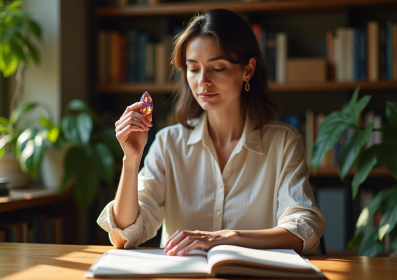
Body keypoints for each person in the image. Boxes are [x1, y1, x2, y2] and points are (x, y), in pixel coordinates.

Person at [97, 9, 326, 256]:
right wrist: (131, 161)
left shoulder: (283, 142)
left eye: (217, 68)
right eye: (193, 69)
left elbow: (305, 229)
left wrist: (226, 238)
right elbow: (124, 235)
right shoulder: (168, 143)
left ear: (248, 70)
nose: (203, 81)